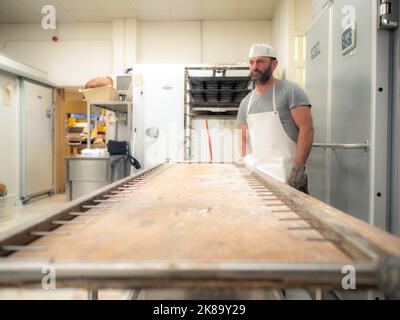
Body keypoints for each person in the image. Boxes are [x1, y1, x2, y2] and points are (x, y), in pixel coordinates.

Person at [237, 44, 314, 194]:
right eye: (251, 62)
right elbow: (243, 140)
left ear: (274, 64)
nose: (255, 67)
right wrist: (247, 166)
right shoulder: (246, 102)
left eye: (260, 62)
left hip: (288, 178)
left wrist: (298, 167)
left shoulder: (290, 90)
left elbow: (307, 128)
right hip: (259, 180)